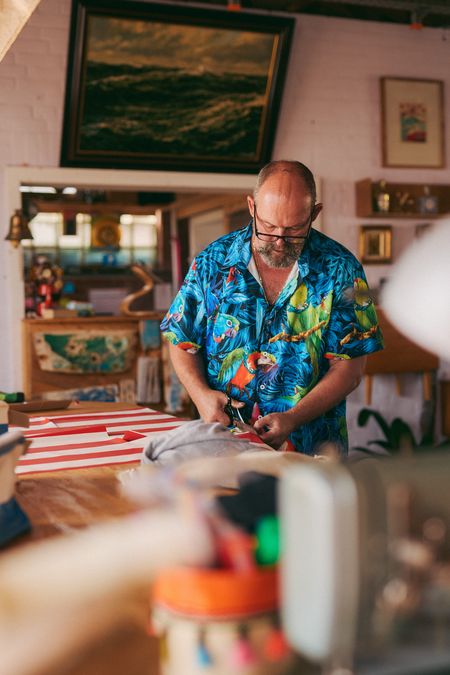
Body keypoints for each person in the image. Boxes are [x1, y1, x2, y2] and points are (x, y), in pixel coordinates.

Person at [161, 160, 383, 456]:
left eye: (293, 230)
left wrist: (294, 417)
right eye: (267, 227)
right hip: (221, 444)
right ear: (252, 207)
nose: (279, 241)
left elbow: (350, 368)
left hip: (310, 448)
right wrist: (200, 396)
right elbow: (181, 340)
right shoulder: (211, 262)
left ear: (314, 213)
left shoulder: (346, 269)